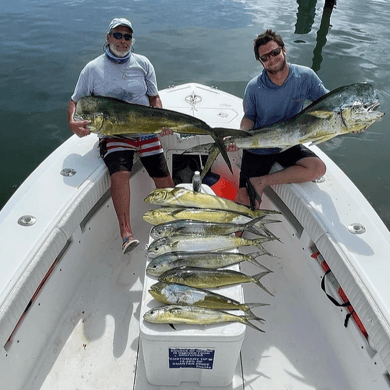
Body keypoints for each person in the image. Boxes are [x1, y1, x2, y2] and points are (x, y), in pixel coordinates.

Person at [67, 18, 174, 254]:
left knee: (163, 175)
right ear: (108, 38)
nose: (123, 41)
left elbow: (154, 97)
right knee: (120, 173)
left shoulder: (143, 64)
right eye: (118, 35)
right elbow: (75, 101)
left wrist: (161, 118)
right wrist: (73, 122)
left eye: (127, 36)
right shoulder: (92, 69)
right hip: (115, 134)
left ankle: (174, 222)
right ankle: (126, 233)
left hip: (145, 130)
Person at [228, 29, 328, 208]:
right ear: (260, 62)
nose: (272, 59)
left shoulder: (306, 77)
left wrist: (353, 122)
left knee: (318, 168)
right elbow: (249, 117)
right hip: (260, 146)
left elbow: (328, 104)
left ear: (284, 49)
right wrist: (240, 136)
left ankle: (262, 181)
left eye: (274, 52)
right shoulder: (253, 87)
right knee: (244, 200)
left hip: (289, 142)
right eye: (265, 58)